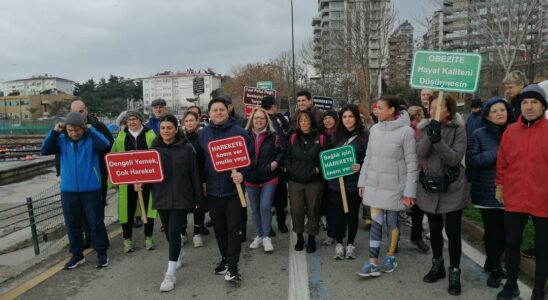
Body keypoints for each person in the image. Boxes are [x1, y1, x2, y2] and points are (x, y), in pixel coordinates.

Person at [495, 84, 548, 300]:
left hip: (543, 199)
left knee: (544, 248)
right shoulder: (511, 131)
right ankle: (511, 284)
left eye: (534, 102)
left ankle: (538, 291)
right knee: (512, 243)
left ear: (543, 106)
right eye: (525, 102)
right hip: (515, 198)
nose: (529, 107)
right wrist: (500, 186)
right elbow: (502, 163)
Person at [356, 96, 418, 277]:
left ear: (392, 110)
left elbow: (412, 164)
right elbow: (368, 158)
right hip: (374, 185)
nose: (376, 111)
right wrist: (363, 182)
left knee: (392, 222)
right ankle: (373, 262)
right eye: (376, 108)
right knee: (376, 223)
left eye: (380, 108)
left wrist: (409, 192)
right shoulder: (374, 129)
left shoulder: (406, 132)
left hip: (395, 187)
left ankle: (390, 256)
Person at [41, 112, 111, 270]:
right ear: (66, 129)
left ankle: (101, 253)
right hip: (68, 190)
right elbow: (45, 150)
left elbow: (106, 145)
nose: (74, 133)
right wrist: (54, 132)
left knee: (96, 223)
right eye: (71, 130)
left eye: (77, 130)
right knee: (72, 224)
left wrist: (91, 130)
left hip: (91, 189)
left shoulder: (91, 139)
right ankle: (77, 255)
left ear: (83, 128)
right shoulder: (60, 140)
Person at [140, 114, 201, 292]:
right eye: (163, 128)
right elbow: (146, 174)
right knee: (169, 233)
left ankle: (170, 274)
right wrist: (140, 182)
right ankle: (179, 251)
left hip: (182, 197)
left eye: (169, 128)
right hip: (161, 197)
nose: (166, 131)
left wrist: (198, 199)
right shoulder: (154, 150)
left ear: (176, 129)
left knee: (174, 233)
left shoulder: (187, 148)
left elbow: (194, 175)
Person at [416, 94, 470, 296]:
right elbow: (421, 152)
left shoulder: (459, 130)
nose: (434, 109)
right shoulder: (423, 128)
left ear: (449, 109)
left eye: (440, 106)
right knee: (435, 230)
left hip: (452, 187)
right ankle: (437, 265)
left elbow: (455, 158)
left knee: (453, 232)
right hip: (430, 187)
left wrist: (439, 140)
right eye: (432, 106)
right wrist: (431, 134)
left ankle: (454, 271)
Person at [198, 97, 254, 283]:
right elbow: (200, 162)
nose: (219, 113)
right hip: (213, 192)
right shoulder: (203, 134)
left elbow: (250, 158)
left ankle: (233, 267)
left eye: (222, 109)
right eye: (215, 110)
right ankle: (224, 259)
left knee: (234, 229)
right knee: (220, 230)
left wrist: (243, 174)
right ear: (210, 113)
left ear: (228, 110)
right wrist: (204, 183)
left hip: (233, 191)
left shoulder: (239, 132)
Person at [466, 97, 515, 289]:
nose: (499, 113)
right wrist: (498, 151)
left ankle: (491, 260)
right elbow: (473, 161)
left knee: (505, 232)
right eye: (494, 111)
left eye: (502, 110)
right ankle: (495, 269)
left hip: (512, 191)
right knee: (494, 231)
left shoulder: (516, 132)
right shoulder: (478, 134)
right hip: (487, 191)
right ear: (487, 115)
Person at [110, 111, 157, 253]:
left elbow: (157, 156)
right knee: (127, 210)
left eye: (134, 119)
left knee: (148, 209)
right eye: (129, 120)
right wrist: (114, 181)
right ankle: (127, 239)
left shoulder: (151, 135)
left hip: (147, 180)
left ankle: (148, 237)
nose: (132, 122)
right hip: (127, 181)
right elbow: (113, 157)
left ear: (140, 120)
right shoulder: (121, 136)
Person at [69, 100, 114, 245]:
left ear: (86, 110)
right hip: (78, 177)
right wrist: (59, 173)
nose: (79, 115)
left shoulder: (98, 126)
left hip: (98, 174)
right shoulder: (68, 129)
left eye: (81, 111)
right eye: (75, 112)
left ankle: (99, 238)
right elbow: (59, 152)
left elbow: (109, 146)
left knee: (97, 209)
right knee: (81, 210)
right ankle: (88, 236)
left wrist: (92, 133)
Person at [328, 104, 369, 260]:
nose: (347, 119)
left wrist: (361, 166)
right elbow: (328, 156)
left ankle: (350, 243)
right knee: (338, 214)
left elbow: (370, 157)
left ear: (356, 117)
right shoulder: (335, 135)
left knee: (352, 214)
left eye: (350, 116)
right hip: (336, 183)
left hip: (355, 182)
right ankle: (339, 243)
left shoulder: (365, 135)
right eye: (344, 116)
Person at [285, 110, 329, 253]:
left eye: (306, 119)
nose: (304, 122)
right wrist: (291, 171)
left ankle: (311, 238)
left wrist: (318, 169)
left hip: (314, 182)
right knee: (296, 211)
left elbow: (326, 159)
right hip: (295, 182)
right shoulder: (292, 138)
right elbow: (287, 158)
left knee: (313, 210)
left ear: (312, 121)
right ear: (297, 123)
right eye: (301, 120)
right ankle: (299, 237)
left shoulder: (321, 138)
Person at [244, 108, 283, 253]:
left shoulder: (274, 135)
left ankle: (266, 237)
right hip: (251, 177)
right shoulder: (244, 135)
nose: (259, 120)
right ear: (251, 120)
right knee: (254, 209)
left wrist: (276, 163)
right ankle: (259, 235)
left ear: (266, 120)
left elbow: (281, 152)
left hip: (268, 177)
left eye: (262, 118)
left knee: (265, 206)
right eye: (256, 118)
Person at [261, 96, 289, 234]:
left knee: (268, 198)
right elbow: (282, 143)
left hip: (265, 166)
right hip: (275, 165)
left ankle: (271, 226)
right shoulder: (272, 121)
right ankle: (280, 223)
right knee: (279, 197)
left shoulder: (266, 120)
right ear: (273, 106)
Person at [181, 111, 209, 248]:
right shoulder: (179, 138)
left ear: (197, 121)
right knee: (183, 206)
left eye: (192, 120)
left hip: (199, 177)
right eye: (186, 121)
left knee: (199, 206)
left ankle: (197, 233)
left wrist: (204, 181)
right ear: (183, 123)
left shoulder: (202, 138)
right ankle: (182, 232)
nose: (189, 123)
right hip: (183, 179)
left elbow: (205, 161)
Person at [406, 106, 429, 253]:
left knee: (418, 207)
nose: (420, 116)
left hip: (421, 171)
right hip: (407, 170)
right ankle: (393, 238)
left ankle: (416, 236)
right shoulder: (406, 130)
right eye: (418, 114)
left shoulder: (425, 129)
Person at [318, 110, 338, 246]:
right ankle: (331, 234)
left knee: (337, 206)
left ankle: (338, 232)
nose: (327, 121)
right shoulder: (319, 134)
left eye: (330, 118)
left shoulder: (341, 134)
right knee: (328, 205)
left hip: (338, 176)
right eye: (325, 118)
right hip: (323, 176)